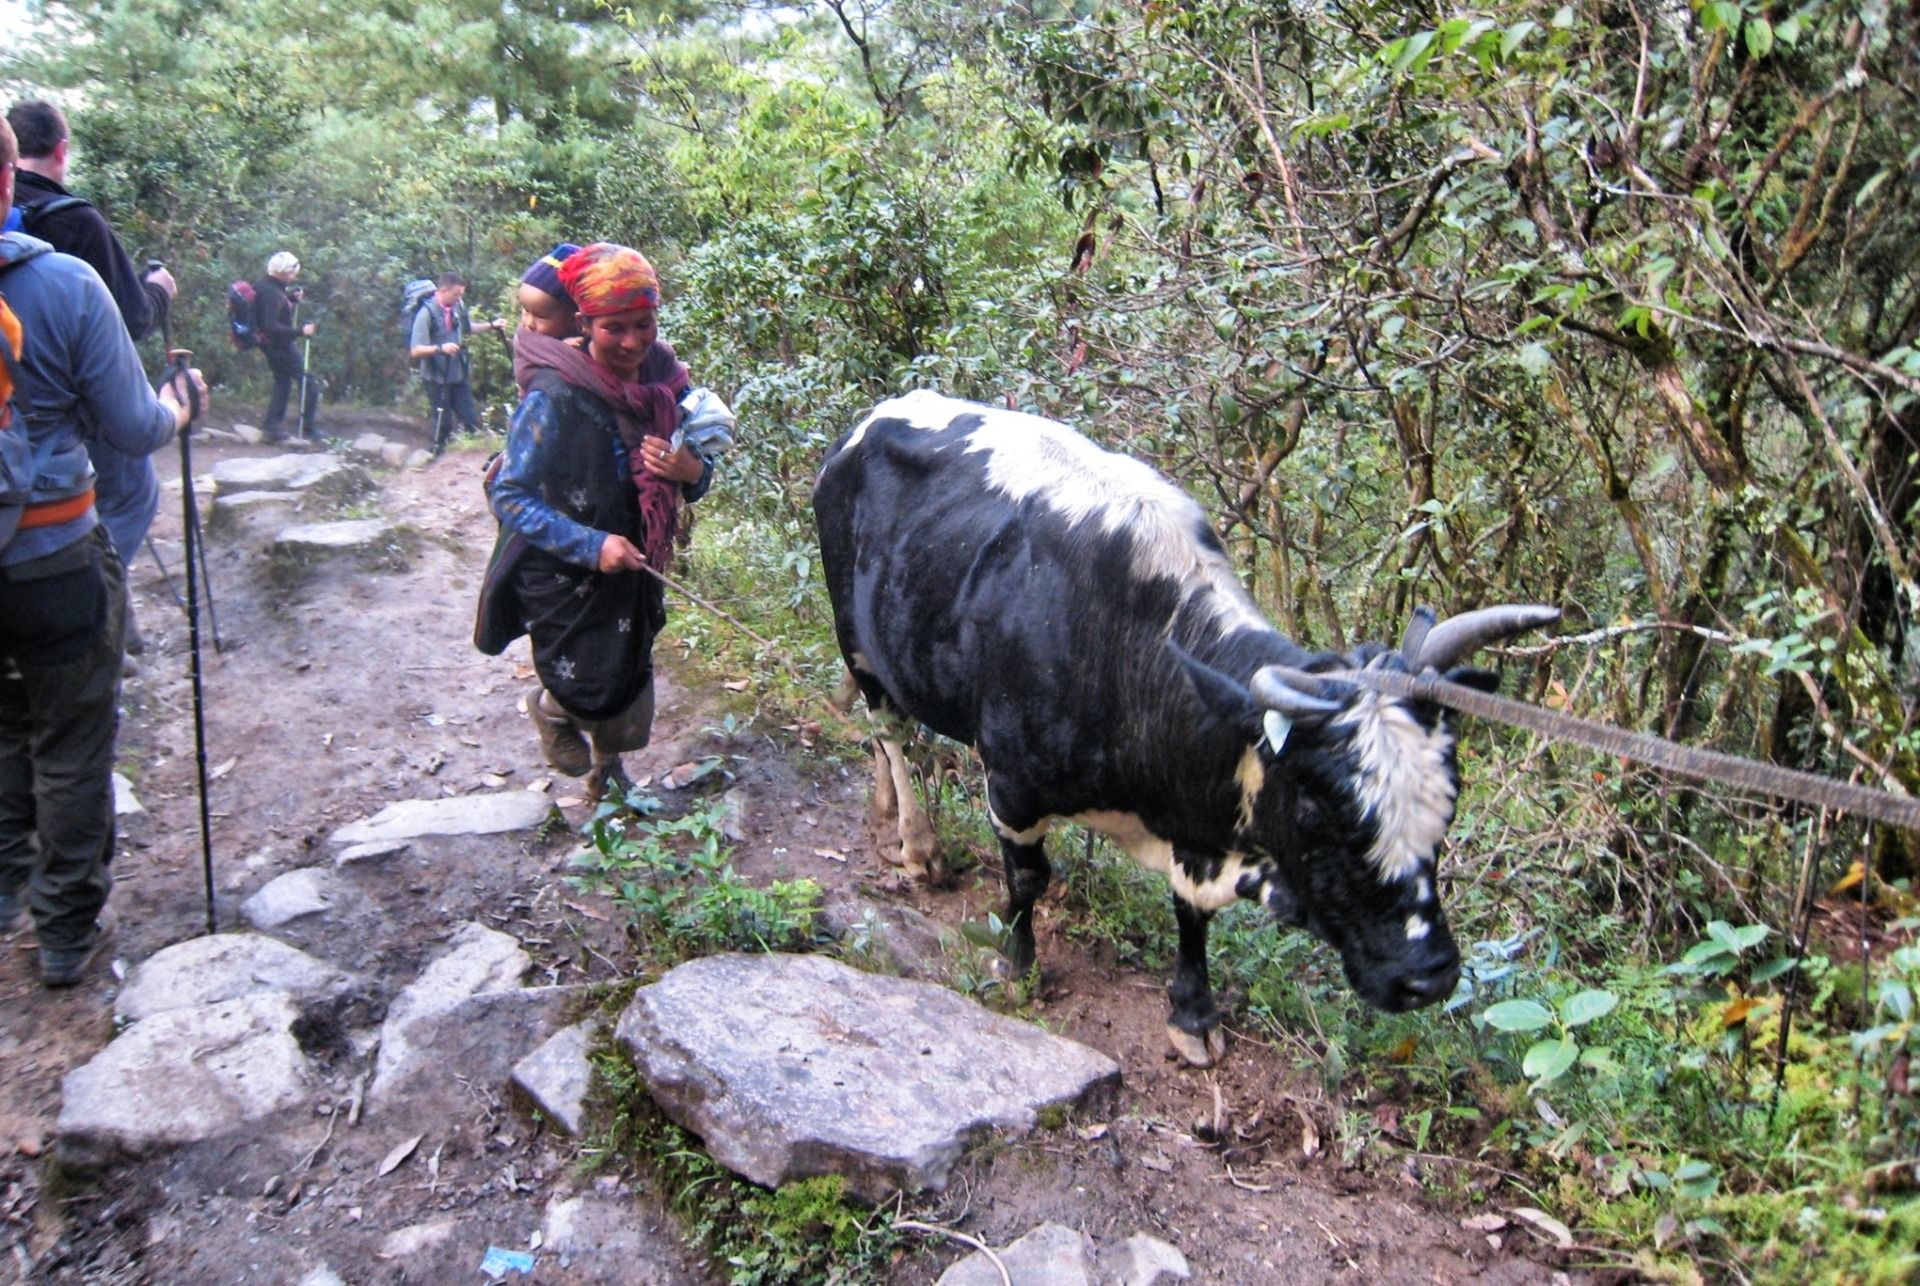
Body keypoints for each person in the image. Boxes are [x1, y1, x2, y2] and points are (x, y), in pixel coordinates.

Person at [0, 117, 206, 987]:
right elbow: (132, 426)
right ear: (9, 180)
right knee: (74, 732)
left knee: (5, 725)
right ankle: (63, 928)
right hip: (52, 551)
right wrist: (179, 407)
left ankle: (6, 886)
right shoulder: (64, 284)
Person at [476, 243, 714, 801]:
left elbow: (694, 468)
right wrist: (590, 544)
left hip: (635, 558)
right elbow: (510, 494)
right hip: (564, 570)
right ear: (583, 323)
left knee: (629, 667)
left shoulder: (667, 381)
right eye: (614, 328)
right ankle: (551, 708)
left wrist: (690, 468)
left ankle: (609, 775)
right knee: (587, 676)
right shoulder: (553, 395)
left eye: (644, 324)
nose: (633, 342)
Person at [7, 100, 181, 655]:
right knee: (132, 496)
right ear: (62, 149)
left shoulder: (29, 213)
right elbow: (133, 315)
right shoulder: (72, 221)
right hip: (76, 409)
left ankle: (112, 618)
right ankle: (104, 608)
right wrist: (160, 289)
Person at [408, 271, 507, 454]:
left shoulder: (457, 306)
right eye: (456, 294)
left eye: (461, 294)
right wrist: (440, 348)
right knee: (443, 422)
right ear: (443, 290)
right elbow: (415, 350)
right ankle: (437, 456)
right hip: (436, 376)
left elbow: (467, 328)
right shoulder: (426, 314)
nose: (459, 298)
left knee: (470, 417)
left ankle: (473, 454)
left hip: (458, 372)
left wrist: (492, 326)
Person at [253, 250, 318, 443]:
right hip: (278, 345)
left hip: (271, 344)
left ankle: (272, 427)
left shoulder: (268, 285)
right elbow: (270, 325)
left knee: (283, 381)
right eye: (293, 272)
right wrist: (301, 331)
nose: (294, 275)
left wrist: (290, 299)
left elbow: (271, 312)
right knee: (308, 381)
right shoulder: (271, 291)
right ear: (283, 272)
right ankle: (308, 428)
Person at [515, 244, 579, 339]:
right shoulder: (524, 339)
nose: (529, 323)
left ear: (574, 320)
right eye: (525, 310)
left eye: (540, 317)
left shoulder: (586, 349)